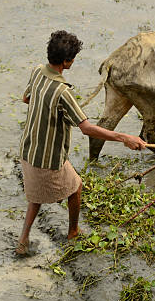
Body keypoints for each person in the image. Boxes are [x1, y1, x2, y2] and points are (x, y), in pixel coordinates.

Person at [16, 30, 146, 256]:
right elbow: (86, 129)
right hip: (48, 159)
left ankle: (23, 239)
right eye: (73, 58)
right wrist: (125, 137)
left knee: (35, 197)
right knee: (76, 187)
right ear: (67, 62)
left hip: (28, 150)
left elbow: (26, 98)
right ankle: (73, 231)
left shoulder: (37, 71)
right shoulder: (62, 92)